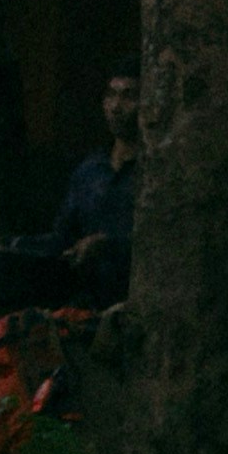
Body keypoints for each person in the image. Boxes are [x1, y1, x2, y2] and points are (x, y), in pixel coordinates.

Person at [48, 72, 142, 300]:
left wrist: (107, 244)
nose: (116, 107)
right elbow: (61, 237)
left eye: (129, 96)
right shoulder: (90, 171)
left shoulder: (156, 173)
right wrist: (4, 242)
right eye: (110, 95)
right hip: (87, 300)